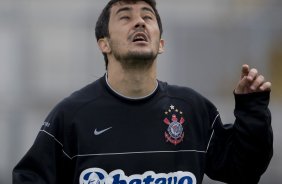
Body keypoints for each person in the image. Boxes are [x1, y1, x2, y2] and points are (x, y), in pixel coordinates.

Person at [13, 0, 273, 183]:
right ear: (104, 43)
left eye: (147, 17)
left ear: (160, 44)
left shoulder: (192, 108)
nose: (139, 22)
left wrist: (252, 108)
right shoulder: (71, 115)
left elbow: (243, 171)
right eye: (125, 16)